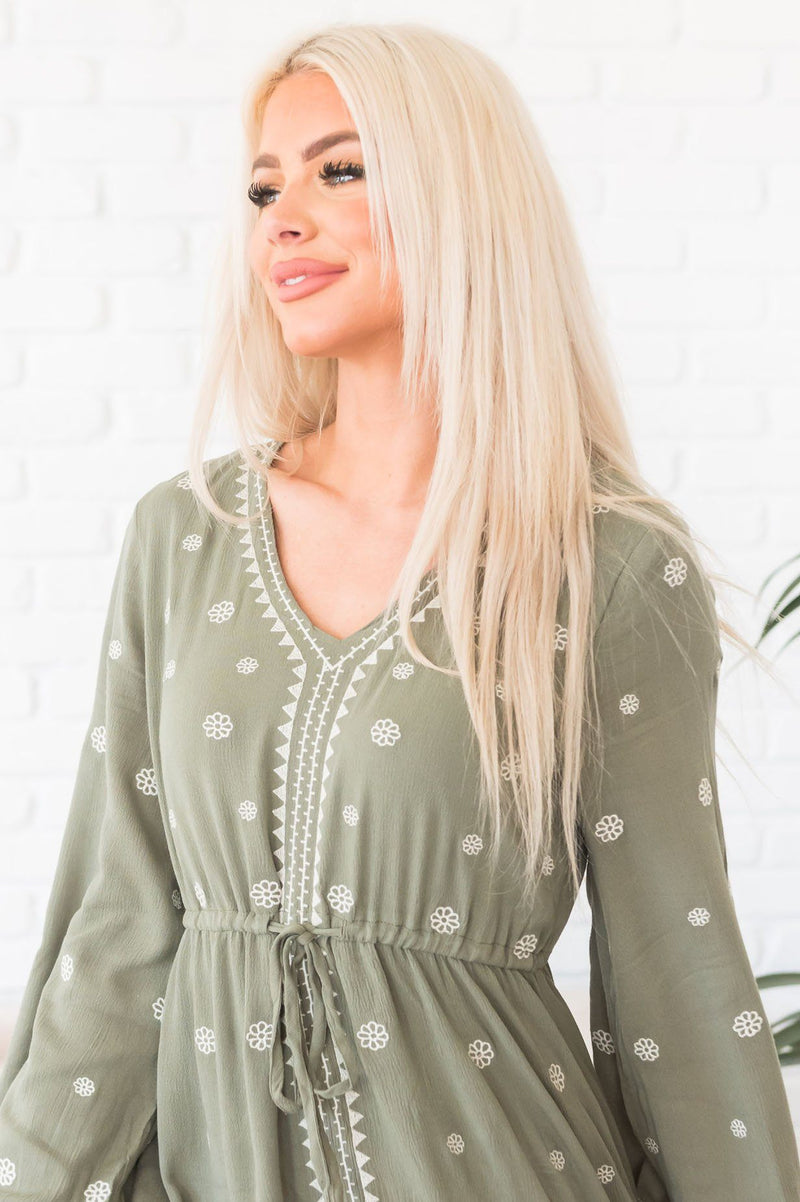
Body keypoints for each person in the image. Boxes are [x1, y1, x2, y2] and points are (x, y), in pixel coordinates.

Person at [1, 21, 798, 1202]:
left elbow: (672, 969)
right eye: (263, 187)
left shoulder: (606, 566)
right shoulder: (185, 536)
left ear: (457, 197)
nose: (280, 219)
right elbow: (116, 929)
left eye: (338, 169)